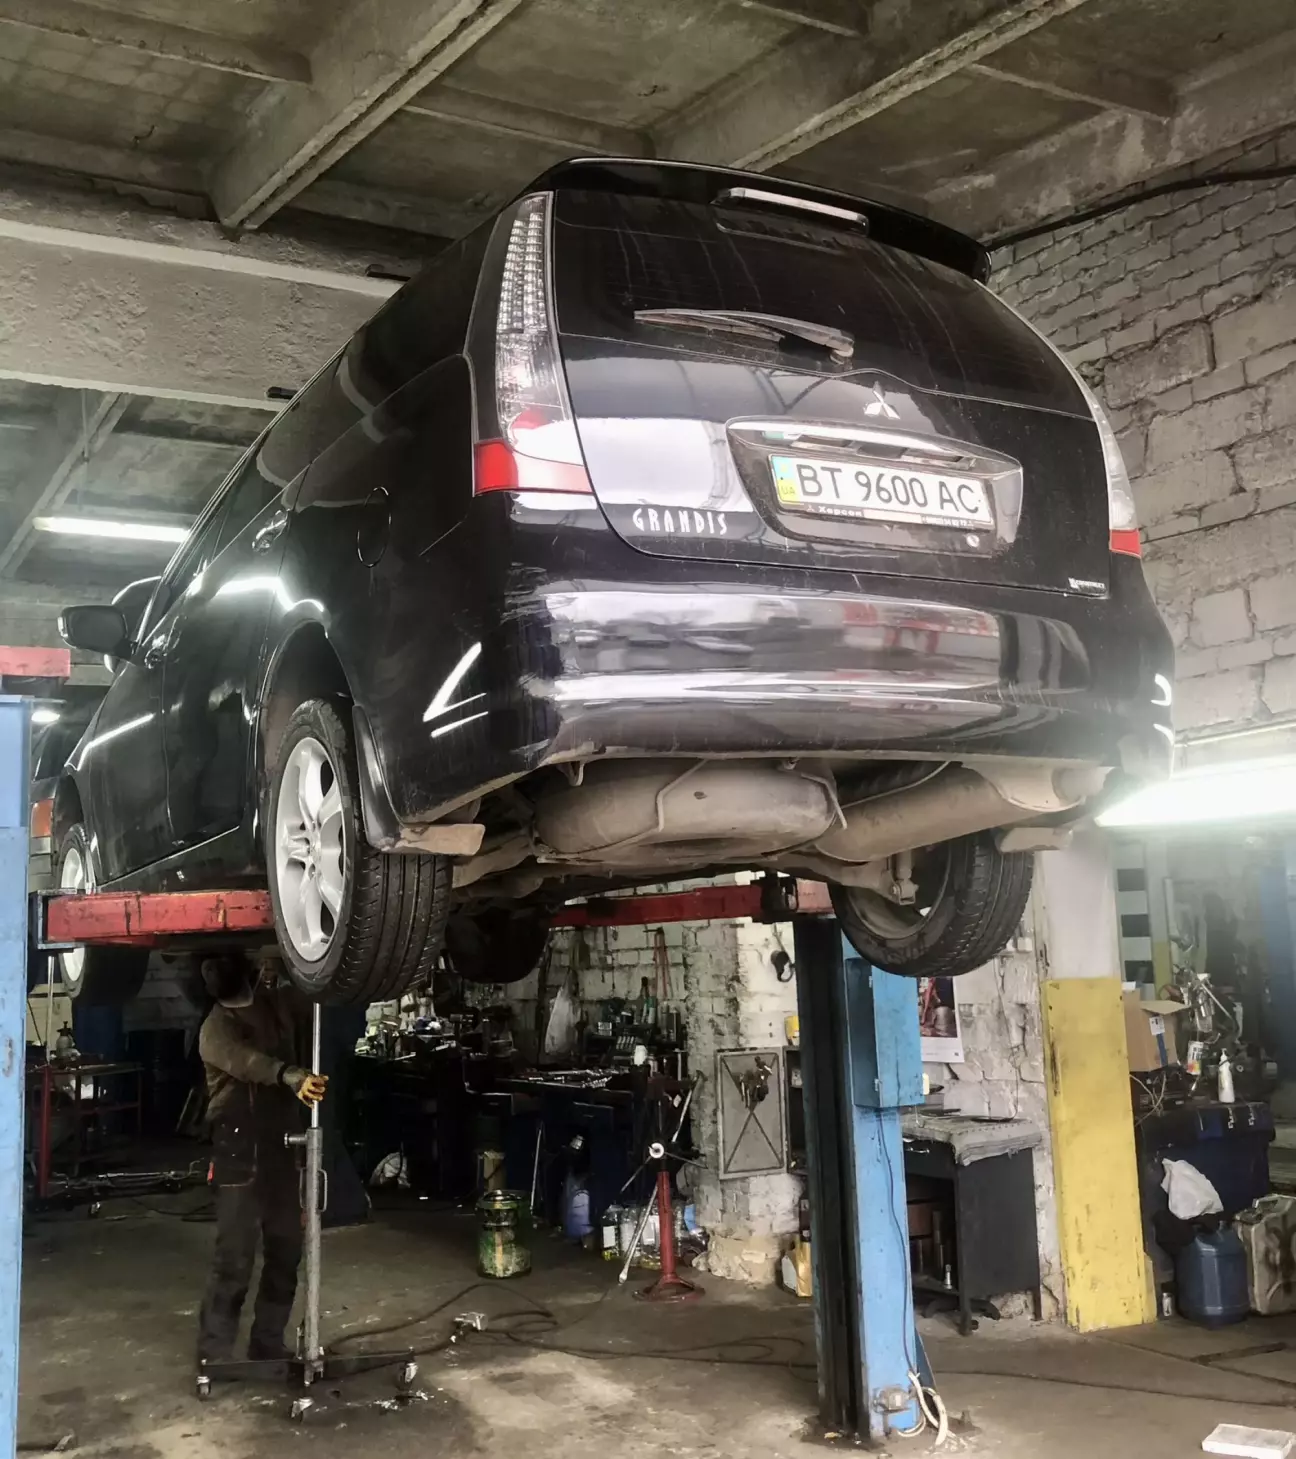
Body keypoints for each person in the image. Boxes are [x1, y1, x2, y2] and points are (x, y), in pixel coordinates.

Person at [196, 953, 327, 1367]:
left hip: (282, 1148)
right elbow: (247, 1062)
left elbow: (315, 991)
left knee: (286, 1250)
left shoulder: (276, 1005)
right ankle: (214, 1355)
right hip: (238, 1153)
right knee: (234, 1259)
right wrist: (289, 1075)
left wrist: (294, 961)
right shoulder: (214, 1028)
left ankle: (267, 1342)